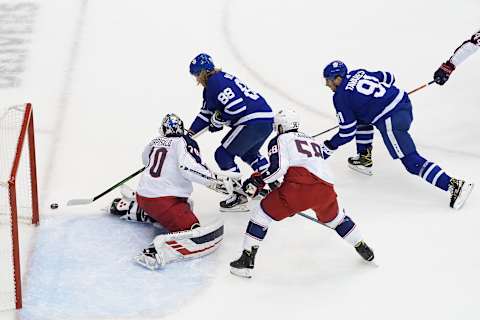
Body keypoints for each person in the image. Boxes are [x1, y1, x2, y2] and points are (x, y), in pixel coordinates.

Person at [229, 109, 374, 278]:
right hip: (326, 189)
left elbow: (278, 169)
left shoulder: (281, 139)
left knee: (261, 214)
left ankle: (246, 262)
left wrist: (258, 181)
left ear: (282, 126)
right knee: (337, 219)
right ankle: (360, 244)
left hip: (299, 187)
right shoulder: (312, 140)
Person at [320, 61, 474, 209]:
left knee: (411, 162)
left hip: (391, 121)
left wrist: (328, 147)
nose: (327, 84)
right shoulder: (358, 73)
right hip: (404, 104)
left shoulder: (340, 97)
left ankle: (454, 185)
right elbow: (389, 77)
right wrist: (377, 99)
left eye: (329, 81)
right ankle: (363, 158)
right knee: (361, 118)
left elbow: (347, 132)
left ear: (338, 79)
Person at [109, 113, 229, 270]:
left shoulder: (155, 141)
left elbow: (146, 160)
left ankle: (129, 208)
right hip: (164, 201)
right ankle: (154, 251)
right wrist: (213, 180)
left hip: (143, 196)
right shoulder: (184, 142)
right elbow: (188, 167)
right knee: (191, 227)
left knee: (186, 205)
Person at [187, 53, 274, 212]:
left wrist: (219, 118)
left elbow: (237, 107)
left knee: (222, 155)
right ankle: (271, 181)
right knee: (250, 153)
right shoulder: (218, 81)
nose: (197, 80)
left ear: (204, 71)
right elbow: (205, 115)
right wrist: (189, 134)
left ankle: (238, 195)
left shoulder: (215, 83)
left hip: (252, 121)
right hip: (266, 119)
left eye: (197, 74)